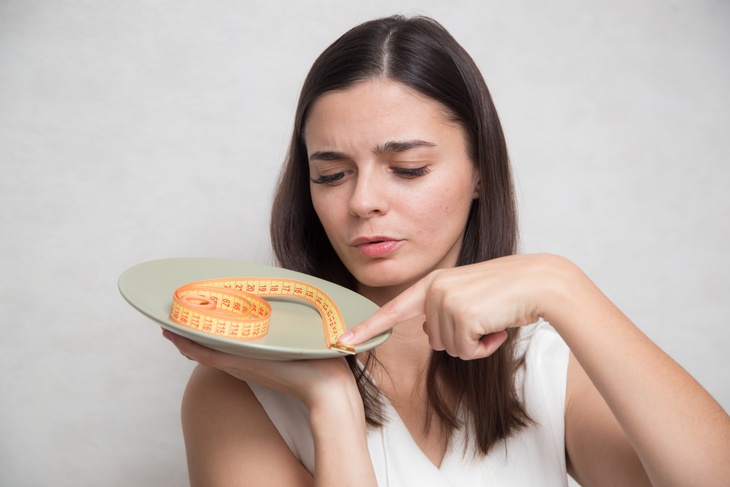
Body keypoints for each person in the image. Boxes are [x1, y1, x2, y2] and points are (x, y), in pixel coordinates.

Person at [162, 15, 730, 486]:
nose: (363, 201)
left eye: (408, 168)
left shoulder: (545, 368)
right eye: (332, 175)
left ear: (480, 172)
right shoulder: (239, 386)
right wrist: (331, 403)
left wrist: (563, 286)